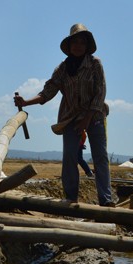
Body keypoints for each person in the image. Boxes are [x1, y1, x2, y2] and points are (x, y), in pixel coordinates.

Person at [14, 23, 114, 206]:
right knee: (69, 157)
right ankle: (71, 198)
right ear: (69, 46)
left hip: (95, 115)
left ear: (86, 46)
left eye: (82, 43)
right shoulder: (62, 69)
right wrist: (26, 102)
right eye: (74, 42)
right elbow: (48, 92)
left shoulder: (94, 64)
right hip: (70, 117)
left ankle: (105, 200)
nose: (78, 46)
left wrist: (86, 120)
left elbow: (100, 93)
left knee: (100, 156)